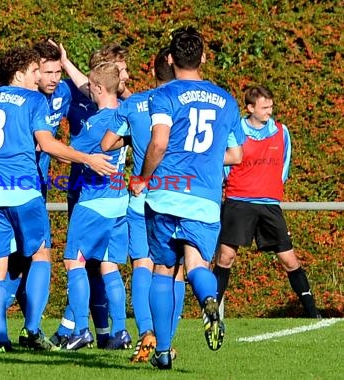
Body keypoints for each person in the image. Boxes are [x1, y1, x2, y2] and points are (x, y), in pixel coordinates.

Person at [0, 46, 115, 352]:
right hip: (24, 190)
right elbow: (47, 144)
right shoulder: (33, 100)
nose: (39, 76)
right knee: (41, 254)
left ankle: (0, 338)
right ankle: (32, 328)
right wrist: (87, 158)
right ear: (20, 73)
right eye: (35, 70)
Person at [131, 27, 245, 369]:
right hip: (204, 198)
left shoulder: (163, 95)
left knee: (163, 270)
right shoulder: (226, 100)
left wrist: (143, 177)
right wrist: (208, 159)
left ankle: (163, 352)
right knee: (195, 264)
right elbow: (236, 154)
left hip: (166, 193)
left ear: (169, 58)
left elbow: (160, 143)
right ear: (204, 58)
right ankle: (209, 298)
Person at [213, 85, 321, 319]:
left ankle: (314, 314)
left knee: (289, 259)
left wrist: (270, 189)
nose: (269, 111)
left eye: (271, 106)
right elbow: (223, 164)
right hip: (238, 201)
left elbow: (284, 165)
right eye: (264, 107)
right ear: (250, 108)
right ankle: (210, 313)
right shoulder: (235, 131)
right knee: (226, 257)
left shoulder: (281, 132)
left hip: (269, 204)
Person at [50, 42, 131, 349]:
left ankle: (81, 329)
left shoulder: (95, 125)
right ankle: (120, 331)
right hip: (118, 200)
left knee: (74, 262)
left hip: (93, 202)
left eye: (92, 88)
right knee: (110, 266)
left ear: (98, 87)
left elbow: (66, 155)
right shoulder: (125, 114)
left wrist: (47, 143)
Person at [101, 46, 178, 363]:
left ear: (153, 72)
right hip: (174, 193)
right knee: (173, 272)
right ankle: (165, 341)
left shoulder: (134, 103)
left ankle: (146, 330)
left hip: (138, 196)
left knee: (142, 265)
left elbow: (107, 144)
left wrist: (132, 136)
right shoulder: (182, 104)